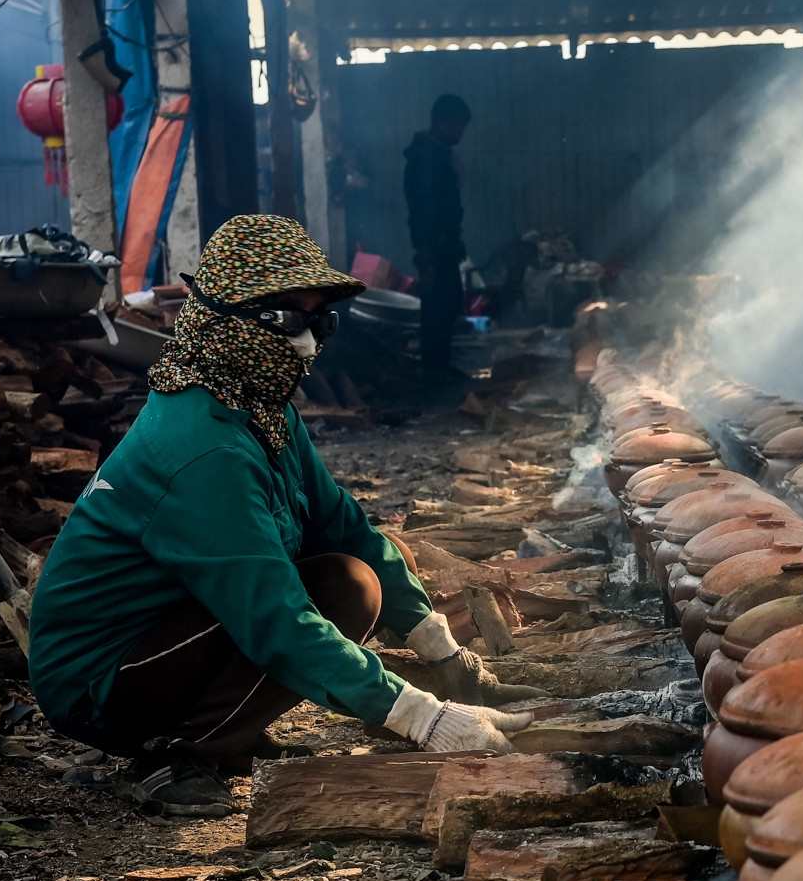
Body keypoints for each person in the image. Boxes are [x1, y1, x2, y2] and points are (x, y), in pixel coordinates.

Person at [28, 215, 535, 818]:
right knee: (304, 608)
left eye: (319, 321)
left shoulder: (258, 411)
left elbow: (344, 526)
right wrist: (424, 720)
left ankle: (223, 728)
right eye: (287, 320)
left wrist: (448, 660)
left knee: (348, 581)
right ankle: (173, 753)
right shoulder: (202, 448)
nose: (307, 343)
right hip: (101, 678)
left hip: (173, 632)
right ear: (224, 321)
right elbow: (274, 617)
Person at [404, 94, 472, 379]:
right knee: (437, 305)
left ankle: (439, 365)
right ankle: (433, 370)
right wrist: (427, 255)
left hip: (445, 245)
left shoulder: (438, 155)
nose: (460, 134)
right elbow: (423, 210)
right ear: (444, 122)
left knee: (448, 302)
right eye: (458, 126)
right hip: (434, 246)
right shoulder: (425, 159)